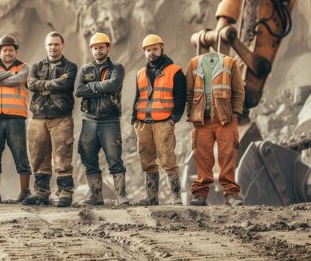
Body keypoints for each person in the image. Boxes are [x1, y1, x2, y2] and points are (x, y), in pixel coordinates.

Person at [23, 32, 77, 207]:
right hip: (38, 118)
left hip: (61, 118)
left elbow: (66, 84)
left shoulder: (70, 66)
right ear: (45, 46)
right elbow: (30, 84)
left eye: (56, 44)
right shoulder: (36, 66)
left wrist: (43, 85)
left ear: (63, 45)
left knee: (63, 156)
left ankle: (65, 193)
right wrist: (52, 85)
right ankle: (41, 193)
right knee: (38, 157)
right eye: (50, 44)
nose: (53, 47)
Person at [74, 32, 129, 206]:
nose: (98, 51)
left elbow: (113, 85)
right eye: (95, 48)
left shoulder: (117, 68)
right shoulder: (85, 69)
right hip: (88, 120)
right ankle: (96, 195)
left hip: (109, 120)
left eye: (101, 47)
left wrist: (91, 86)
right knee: (88, 157)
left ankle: (121, 195)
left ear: (107, 48)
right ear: (91, 49)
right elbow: (78, 91)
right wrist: (101, 88)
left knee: (115, 158)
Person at [132, 34, 186, 205]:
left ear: (161, 48)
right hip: (143, 122)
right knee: (147, 160)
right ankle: (151, 197)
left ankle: (176, 197)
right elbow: (137, 96)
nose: (152, 53)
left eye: (155, 49)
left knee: (168, 159)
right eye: (148, 50)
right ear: (144, 52)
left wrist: (174, 118)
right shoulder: (141, 73)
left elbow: (181, 96)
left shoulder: (175, 71)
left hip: (164, 121)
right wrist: (134, 118)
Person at [186, 52, 245, 207]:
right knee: (201, 156)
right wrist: (190, 114)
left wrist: (234, 114)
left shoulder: (230, 63)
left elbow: (239, 91)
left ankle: (231, 195)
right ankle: (200, 195)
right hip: (201, 120)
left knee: (228, 156)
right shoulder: (193, 63)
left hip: (225, 119)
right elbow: (189, 92)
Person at [0, 35, 32, 203]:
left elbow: (20, 78)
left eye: (11, 50)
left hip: (16, 117)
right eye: (5, 50)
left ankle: (25, 192)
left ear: (16, 51)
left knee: (20, 153)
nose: (8, 52)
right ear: (0, 52)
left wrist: (0, 79)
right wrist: (10, 75)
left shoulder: (24, 67)